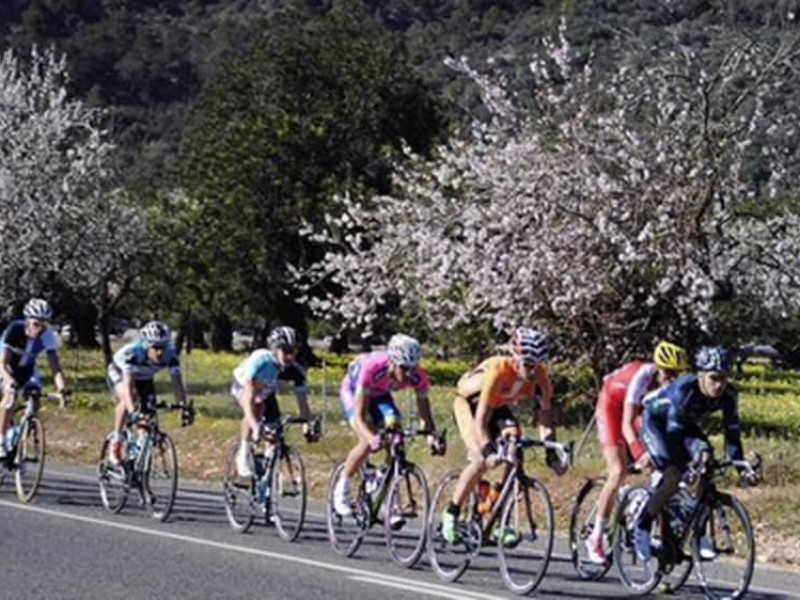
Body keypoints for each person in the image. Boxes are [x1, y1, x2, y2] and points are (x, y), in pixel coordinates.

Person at [633, 346, 755, 568]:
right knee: (673, 475)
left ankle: (696, 531)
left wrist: (740, 467)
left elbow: (732, 434)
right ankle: (642, 523)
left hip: (685, 425)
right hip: (657, 424)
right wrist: (688, 467)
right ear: (701, 375)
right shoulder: (684, 389)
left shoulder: (729, 395)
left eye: (724, 378)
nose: (719, 385)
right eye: (714, 378)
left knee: (706, 462)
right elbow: (674, 436)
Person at [441, 327, 564, 545]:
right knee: (480, 460)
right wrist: (487, 449)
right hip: (469, 404)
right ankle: (451, 513)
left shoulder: (541, 378)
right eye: (528, 364)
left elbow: (545, 419)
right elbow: (481, 420)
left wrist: (551, 453)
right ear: (515, 359)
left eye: (537, 365)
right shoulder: (499, 370)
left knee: (515, 444)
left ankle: (496, 510)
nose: (532, 371)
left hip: (496, 406)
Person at [585, 341, 689, 564]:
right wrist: (638, 452)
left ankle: (641, 508)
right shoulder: (641, 378)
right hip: (611, 405)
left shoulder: (671, 387)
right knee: (618, 471)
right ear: (657, 368)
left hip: (640, 411)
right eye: (668, 372)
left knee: (662, 458)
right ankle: (596, 537)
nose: (671, 379)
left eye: (676, 374)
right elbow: (626, 423)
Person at [332, 333, 443, 520]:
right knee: (366, 440)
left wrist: (431, 436)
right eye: (404, 368)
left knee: (395, 429)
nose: (408, 375)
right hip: (353, 391)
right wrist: (371, 437)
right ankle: (342, 488)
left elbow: (425, 414)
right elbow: (359, 417)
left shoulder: (418, 376)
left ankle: (386, 493)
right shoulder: (373, 368)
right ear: (392, 362)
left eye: (413, 368)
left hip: (381, 394)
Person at [231, 326, 316, 478]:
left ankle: (266, 470)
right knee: (256, 408)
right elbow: (249, 399)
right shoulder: (261, 360)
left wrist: (306, 424)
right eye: (286, 351)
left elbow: (303, 404)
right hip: (243, 387)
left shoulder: (295, 370)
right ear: (275, 349)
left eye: (294, 351)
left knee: (274, 431)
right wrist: (255, 426)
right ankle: (243, 453)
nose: (290, 356)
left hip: (266, 392)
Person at [107, 321, 189, 464]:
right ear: (146, 345)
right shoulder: (134, 353)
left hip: (145, 377)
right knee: (131, 398)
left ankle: (137, 454)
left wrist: (183, 405)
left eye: (163, 347)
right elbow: (128, 385)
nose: (160, 352)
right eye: (155, 347)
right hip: (119, 373)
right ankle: (116, 440)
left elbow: (177, 382)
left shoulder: (171, 356)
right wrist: (132, 411)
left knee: (148, 415)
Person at [0, 299, 70, 457]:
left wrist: (62, 388)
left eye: (43, 324)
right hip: (6, 367)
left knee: (35, 398)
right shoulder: (14, 330)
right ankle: (1, 439)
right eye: (36, 323)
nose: (39, 328)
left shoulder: (47, 335)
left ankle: (20, 436)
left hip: (27, 369)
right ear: (27, 320)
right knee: (10, 397)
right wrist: (9, 381)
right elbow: (2, 363)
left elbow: (55, 367)